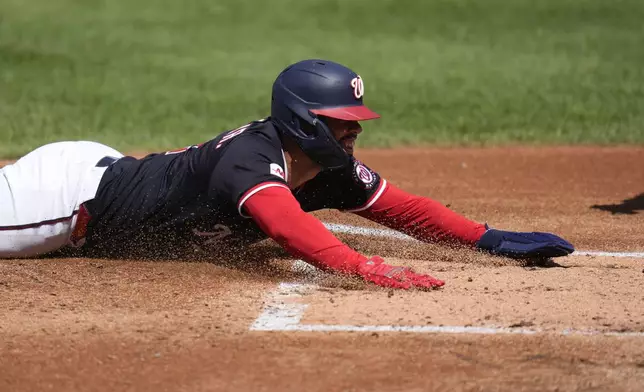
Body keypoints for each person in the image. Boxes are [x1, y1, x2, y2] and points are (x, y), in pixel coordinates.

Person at [0, 59, 574, 289]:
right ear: (301, 120)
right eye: (340, 122)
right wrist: (361, 266)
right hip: (63, 201)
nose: (353, 132)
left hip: (104, 168)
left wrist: (487, 238)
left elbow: (405, 208)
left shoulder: (328, 168)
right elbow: (284, 226)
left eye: (356, 121)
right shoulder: (251, 158)